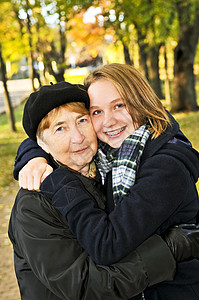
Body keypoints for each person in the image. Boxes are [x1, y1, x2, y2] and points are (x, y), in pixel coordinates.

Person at [13, 64, 199, 299]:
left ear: (141, 103)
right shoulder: (36, 202)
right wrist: (32, 155)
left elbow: (107, 244)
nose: (78, 137)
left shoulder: (140, 163)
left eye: (82, 120)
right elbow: (85, 285)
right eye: (97, 112)